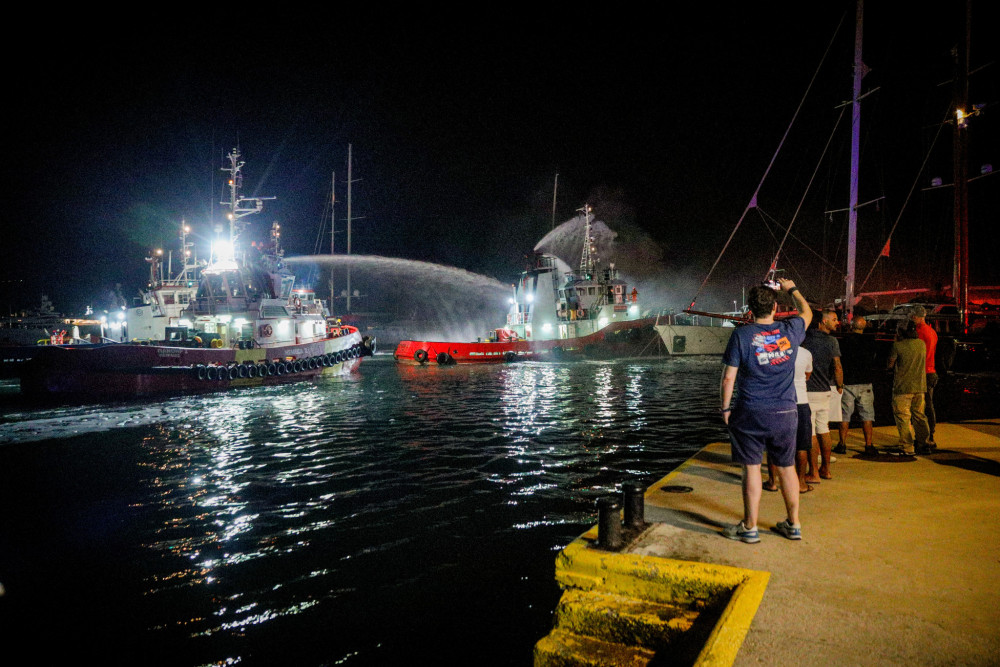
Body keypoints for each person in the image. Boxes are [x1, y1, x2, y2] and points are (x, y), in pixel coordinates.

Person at [719, 278, 813, 543]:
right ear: (775, 307)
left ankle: (750, 528)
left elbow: (729, 378)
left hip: (750, 411)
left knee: (751, 468)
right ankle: (794, 524)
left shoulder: (741, 335)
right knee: (787, 468)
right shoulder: (791, 329)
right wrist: (792, 289)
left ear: (749, 310)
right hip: (785, 411)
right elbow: (807, 312)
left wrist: (726, 408)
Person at [764, 344, 813, 493]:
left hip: (778, 403)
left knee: (774, 444)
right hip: (801, 402)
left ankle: (772, 482)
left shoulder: (771, 352)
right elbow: (807, 375)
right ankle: (801, 483)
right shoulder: (806, 353)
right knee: (801, 445)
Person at [801, 309, 842, 481]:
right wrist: (839, 385)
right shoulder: (832, 341)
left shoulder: (803, 339)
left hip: (807, 392)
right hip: (826, 390)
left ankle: (814, 472)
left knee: (810, 432)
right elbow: (837, 365)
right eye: (834, 319)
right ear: (822, 322)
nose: (837, 322)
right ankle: (826, 469)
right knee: (824, 429)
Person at [834, 316, 878, 456]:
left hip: (848, 382)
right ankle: (869, 444)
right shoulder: (870, 341)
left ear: (851, 326)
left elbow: (839, 361)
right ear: (864, 327)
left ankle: (842, 444)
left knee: (845, 416)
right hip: (865, 381)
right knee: (867, 415)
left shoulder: (844, 341)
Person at [887, 319, 931, 456]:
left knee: (903, 418)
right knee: (920, 416)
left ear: (901, 332)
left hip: (903, 387)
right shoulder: (921, 344)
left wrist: (896, 341)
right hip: (920, 386)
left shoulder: (897, 346)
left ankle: (907, 446)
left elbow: (890, 364)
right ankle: (923, 443)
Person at [910, 305, 939, 452]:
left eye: (913, 316)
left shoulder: (920, 332)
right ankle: (930, 435)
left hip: (923, 373)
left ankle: (925, 437)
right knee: (929, 405)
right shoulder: (932, 332)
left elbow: (916, 353)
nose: (911, 318)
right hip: (931, 371)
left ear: (917, 316)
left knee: (921, 408)